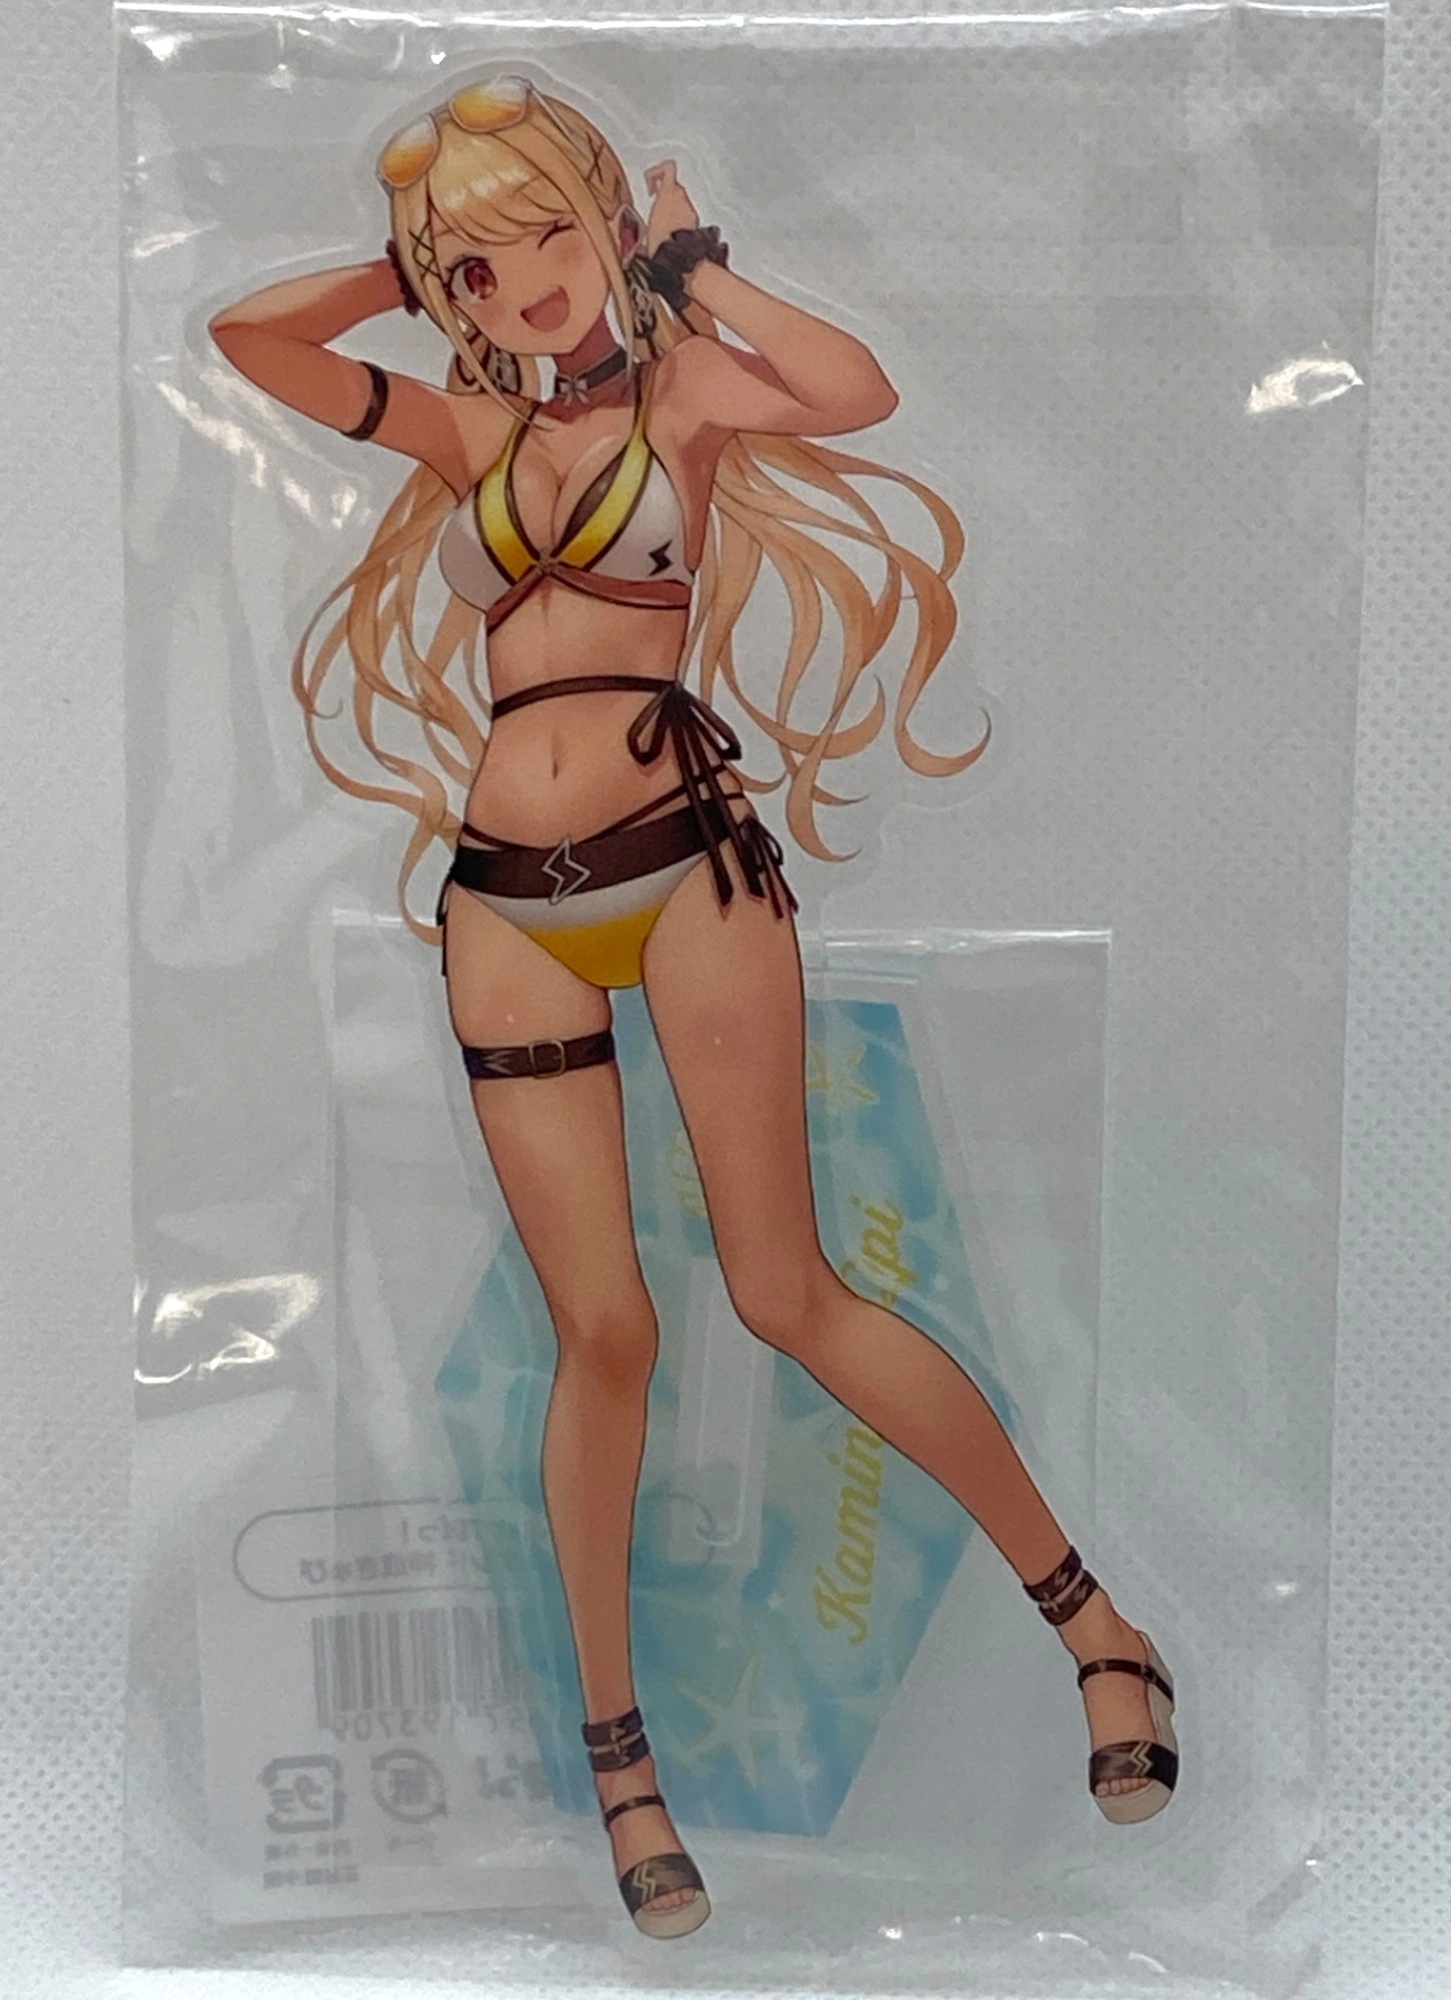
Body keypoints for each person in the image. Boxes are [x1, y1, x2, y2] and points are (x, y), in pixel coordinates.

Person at [209, 74, 1178, 1941]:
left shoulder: (683, 400)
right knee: (604, 1333)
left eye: (544, 233)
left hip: (684, 864)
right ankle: (623, 1768)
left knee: (785, 1291)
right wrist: (402, 269)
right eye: (477, 265)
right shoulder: (462, 429)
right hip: (504, 906)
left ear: (601, 224)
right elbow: (249, 340)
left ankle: (1101, 1631)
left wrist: (692, 266)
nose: (523, 281)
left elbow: (853, 390)